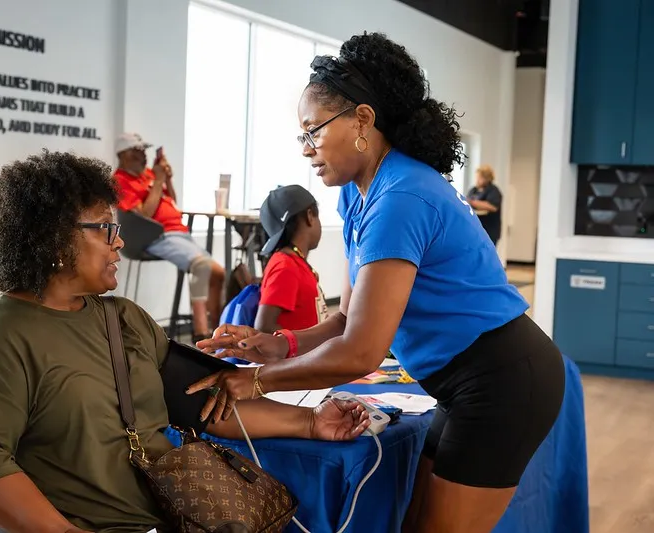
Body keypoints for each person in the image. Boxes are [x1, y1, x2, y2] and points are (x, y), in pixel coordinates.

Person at [188, 32, 565, 533]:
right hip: (464, 383)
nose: (306, 150)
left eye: (313, 131)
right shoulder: (358, 195)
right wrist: (279, 344)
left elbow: (360, 353)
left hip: (502, 380)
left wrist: (252, 381)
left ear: (362, 120)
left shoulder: (401, 197)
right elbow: (347, 318)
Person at [0, 150, 371, 533]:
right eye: (105, 229)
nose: (118, 242)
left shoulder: (123, 319)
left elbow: (206, 403)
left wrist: (311, 422)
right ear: (55, 238)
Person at [114, 133, 225, 343]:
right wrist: (158, 180)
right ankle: (201, 333)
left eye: (144, 151)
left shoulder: (148, 174)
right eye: (138, 151)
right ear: (124, 154)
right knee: (201, 267)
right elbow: (144, 215)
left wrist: (168, 180)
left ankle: (220, 329)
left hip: (179, 232)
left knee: (218, 273)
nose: (144, 156)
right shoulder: (120, 180)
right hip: (157, 236)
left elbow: (171, 202)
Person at [255, 184, 327, 334]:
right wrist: (304, 343)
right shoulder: (286, 266)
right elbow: (264, 326)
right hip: (297, 357)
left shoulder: (295, 262)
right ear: (310, 216)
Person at [466, 164, 503, 245]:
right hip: (476, 229)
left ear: (487, 179)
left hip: (490, 231)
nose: (477, 180)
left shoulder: (493, 191)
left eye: (480, 178)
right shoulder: (474, 190)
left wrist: (473, 202)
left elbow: (492, 206)